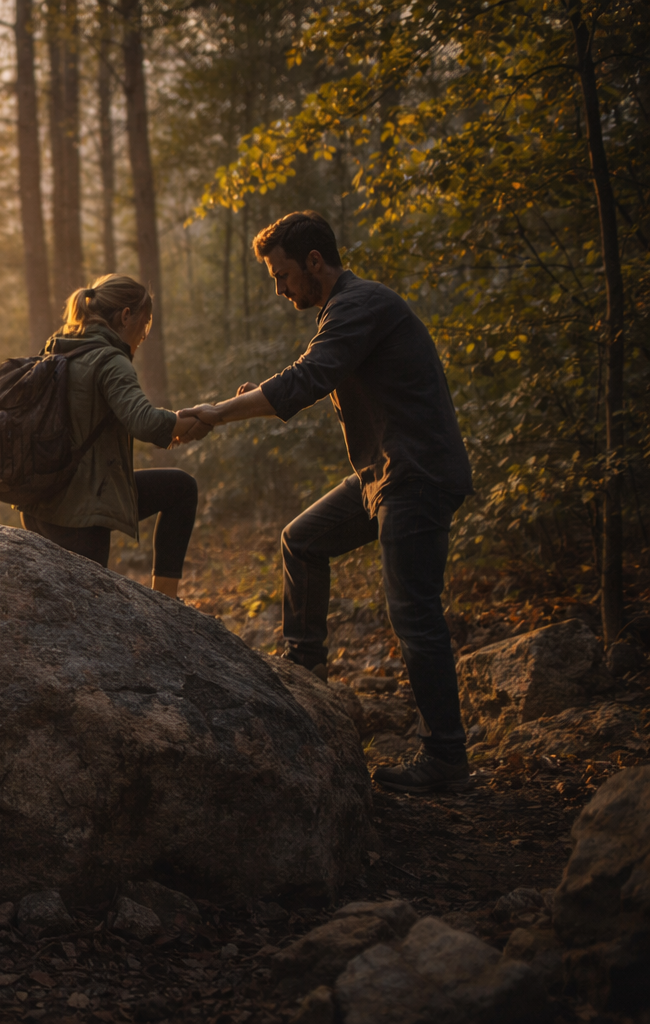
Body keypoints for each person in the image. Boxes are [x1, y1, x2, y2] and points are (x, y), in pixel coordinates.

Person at [180, 211, 475, 793]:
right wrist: (252, 397)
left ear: (315, 262)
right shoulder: (343, 313)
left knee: (414, 614)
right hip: (382, 476)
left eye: (283, 275)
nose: (280, 289)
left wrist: (217, 412)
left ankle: (447, 758)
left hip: (414, 476)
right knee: (302, 539)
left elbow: (307, 379)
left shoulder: (361, 303)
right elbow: (309, 372)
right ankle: (305, 669)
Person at [17, 274, 208, 597]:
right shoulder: (109, 359)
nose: (144, 335)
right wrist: (190, 419)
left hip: (40, 503)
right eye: (144, 324)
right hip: (79, 512)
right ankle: (166, 604)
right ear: (125, 316)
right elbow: (144, 421)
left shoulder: (59, 347)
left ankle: (166, 605)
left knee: (179, 488)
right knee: (83, 615)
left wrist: (175, 425)